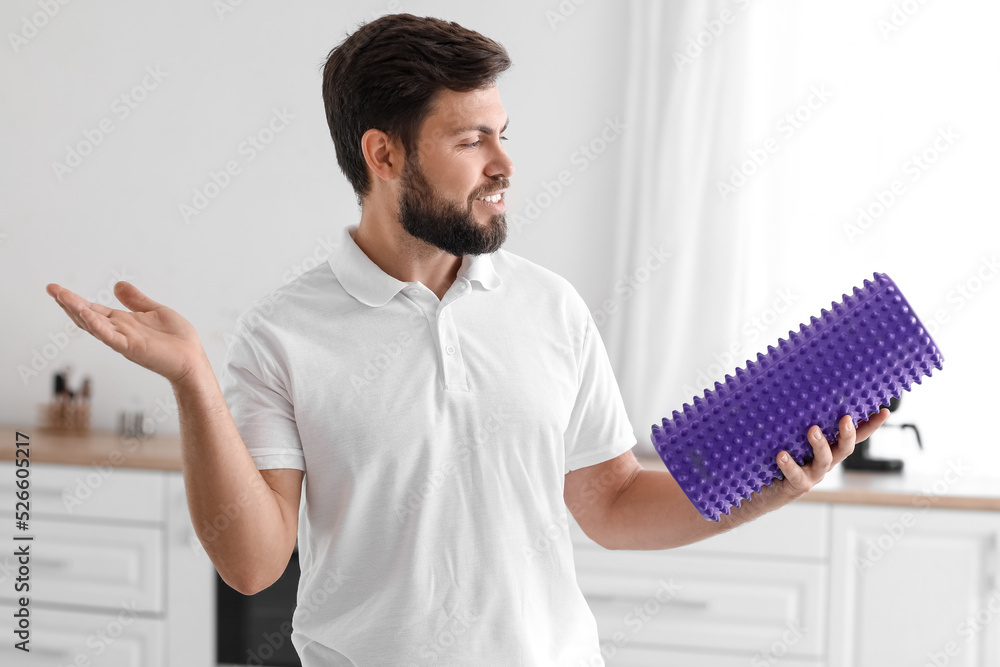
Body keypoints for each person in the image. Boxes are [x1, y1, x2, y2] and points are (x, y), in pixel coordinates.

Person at [45, 13, 889, 666]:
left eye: (503, 133)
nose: (505, 164)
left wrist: (774, 488)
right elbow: (254, 563)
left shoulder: (550, 308)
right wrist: (191, 376)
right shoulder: (282, 334)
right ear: (383, 153)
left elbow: (614, 505)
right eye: (470, 138)